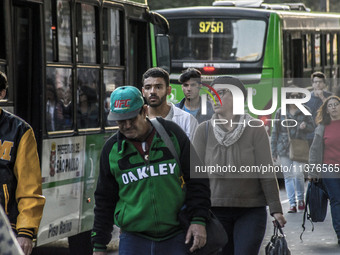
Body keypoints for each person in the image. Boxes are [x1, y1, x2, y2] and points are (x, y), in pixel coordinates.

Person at [91, 86, 211, 255]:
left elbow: (197, 179)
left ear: (145, 111)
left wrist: (199, 220)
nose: (126, 126)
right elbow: (104, 200)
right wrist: (99, 245)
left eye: (131, 119)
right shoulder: (111, 150)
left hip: (176, 237)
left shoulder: (172, 134)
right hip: (133, 240)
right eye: (120, 121)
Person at [192, 76, 286, 255]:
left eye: (220, 93)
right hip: (214, 212)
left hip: (251, 211)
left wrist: (276, 209)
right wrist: (196, 215)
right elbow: (195, 179)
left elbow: (266, 171)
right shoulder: (203, 130)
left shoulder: (256, 128)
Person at [0, 71, 45, 255]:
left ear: (2, 94)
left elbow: (30, 188)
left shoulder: (20, 131)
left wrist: (26, 232)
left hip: (6, 231)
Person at [271, 90, 315, 213]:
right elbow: (275, 132)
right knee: (288, 176)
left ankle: (300, 199)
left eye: (297, 96)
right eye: (291, 96)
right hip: (283, 147)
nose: (294, 98)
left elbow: (313, 127)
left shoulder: (305, 110)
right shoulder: (281, 111)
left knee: (298, 174)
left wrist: (305, 126)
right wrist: (273, 151)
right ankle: (292, 204)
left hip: (299, 146)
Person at [309, 95, 340, 245]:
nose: (334, 107)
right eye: (330, 105)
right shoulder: (322, 127)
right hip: (329, 168)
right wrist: (312, 171)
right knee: (336, 200)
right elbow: (314, 150)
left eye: (336, 104)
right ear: (326, 110)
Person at [142, 67, 198, 141]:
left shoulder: (187, 120)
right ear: (143, 91)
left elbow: (193, 151)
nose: (152, 91)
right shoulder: (138, 121)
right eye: (148, 87)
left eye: (158, 87)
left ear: (168, 90)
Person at [305, 72, 332, 145]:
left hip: (325, 133)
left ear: (324, 84)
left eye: (320, 82)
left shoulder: (329, 96)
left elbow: (333, 111)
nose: (318, 84)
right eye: (315, 82)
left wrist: (322, 97)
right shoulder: (306, 97)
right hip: (310, 134)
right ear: (312, 84)